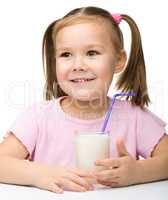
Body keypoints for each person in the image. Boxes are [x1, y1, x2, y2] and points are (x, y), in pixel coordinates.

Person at [0, 6, 168, 194]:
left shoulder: (134, 117)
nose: (78, 65)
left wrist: (138, 172)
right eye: (66, 54)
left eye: (92, 53)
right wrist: (39, 174)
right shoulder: (38, 118)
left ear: (119, 60)